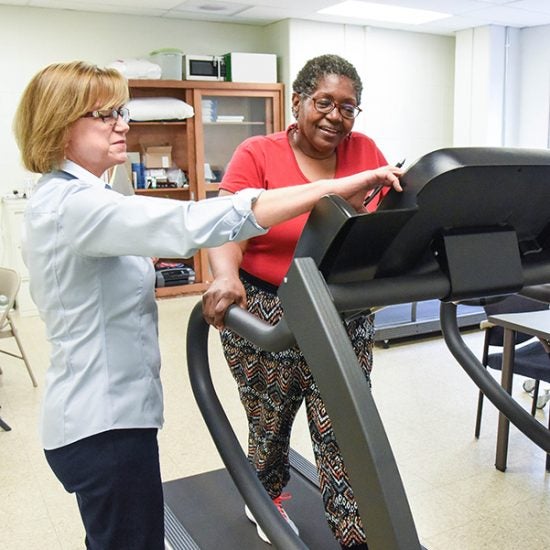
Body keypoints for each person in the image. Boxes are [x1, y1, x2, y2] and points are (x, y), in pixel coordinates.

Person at [12, 60, 402, 550]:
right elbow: (200, 221)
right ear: (60, 123)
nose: (123, 124)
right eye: (105, 114)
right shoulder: (77, 206)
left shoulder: (81, 198)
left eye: (122, 112)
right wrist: (329, 189)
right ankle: (266, 497)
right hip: (102, 425)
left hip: (113, 416)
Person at [202, 54, 395, 549]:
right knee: (270, 422)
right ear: (298, 102)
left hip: (340, 311)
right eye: (324, 102)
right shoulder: (258, 153)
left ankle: (355, 533)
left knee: (343, 430)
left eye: (348, 108)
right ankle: (266, 497)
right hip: (269, 312)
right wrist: (224, 276)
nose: (335, 116)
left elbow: (380, 220)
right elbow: (226, 225)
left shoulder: (365, 150)